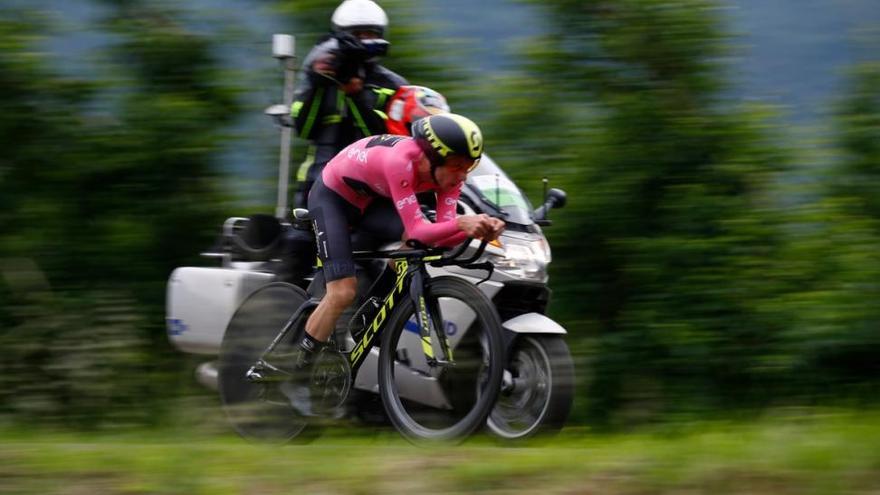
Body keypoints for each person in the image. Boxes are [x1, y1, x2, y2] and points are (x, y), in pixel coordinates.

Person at [284, 113, 505, 413]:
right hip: (332, 197)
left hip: (371, 199)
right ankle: (298, 375)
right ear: (431, 157)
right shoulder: (399, 162)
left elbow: (441, 236)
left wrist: (479, 229)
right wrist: (464, 224)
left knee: (416, 245)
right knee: (342, 291)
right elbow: (420, 229)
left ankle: (371, 310)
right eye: (457, 166)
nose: (462, 175)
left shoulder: (448, 177)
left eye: (469, 166)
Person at [290, 0, 409, 209]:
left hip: (374, 189)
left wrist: (356, 94)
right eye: (356, 34)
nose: (363, 40)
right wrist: (319, 85)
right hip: (317, 183)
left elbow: (391, 140)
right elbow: (304, 129)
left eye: (370, 33)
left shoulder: (393, 85)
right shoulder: (318, 75)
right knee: (302, 240)